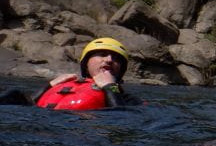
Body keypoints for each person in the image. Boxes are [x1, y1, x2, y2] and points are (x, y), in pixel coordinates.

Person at [0, 37, 140, 109]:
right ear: (86, 64)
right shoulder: (65, 84)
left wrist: (111, 87)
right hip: (45, 126)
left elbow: (121, 119)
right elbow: (30, 106)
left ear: (121, 70)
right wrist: (48, 86)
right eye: (102, 54)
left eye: (116, 59)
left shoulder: (127, 99)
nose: (109, 60)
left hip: (83, 133)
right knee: (15, 93)